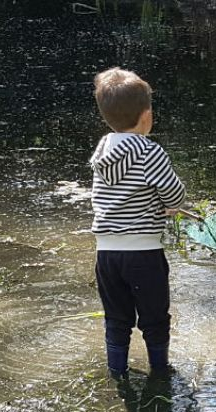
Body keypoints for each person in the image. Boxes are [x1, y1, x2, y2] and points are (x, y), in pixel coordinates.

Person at [89, 68, 186, 378]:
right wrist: (172, 207)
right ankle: (160, 370)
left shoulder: (103, 150)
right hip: (143, 252)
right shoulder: (149, 151)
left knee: (116, 318)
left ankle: (117, 371)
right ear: (147, 116)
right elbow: (173, 194)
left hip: (106, 253)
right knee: (155, 318)